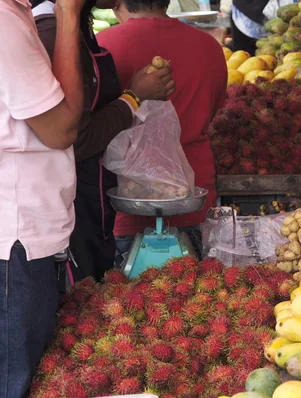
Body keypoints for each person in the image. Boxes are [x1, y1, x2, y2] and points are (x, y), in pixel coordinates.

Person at [32, 0, 176, 282]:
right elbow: (75, 139)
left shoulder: (77, 28)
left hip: (93, 202)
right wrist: (133, 97)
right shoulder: (51, 33)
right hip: (69, 213)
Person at [97, 0, 227, 260]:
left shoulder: (103, 47)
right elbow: (212, 112)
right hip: (194, 199)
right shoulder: (209, 47)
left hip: (123, 205)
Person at [0, 0, 84, 394]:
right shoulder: (4, 23)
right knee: (16, 382)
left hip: (21, 237)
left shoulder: (16, 15)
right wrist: (68, 15)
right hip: (16, 242)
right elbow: (61, 129)